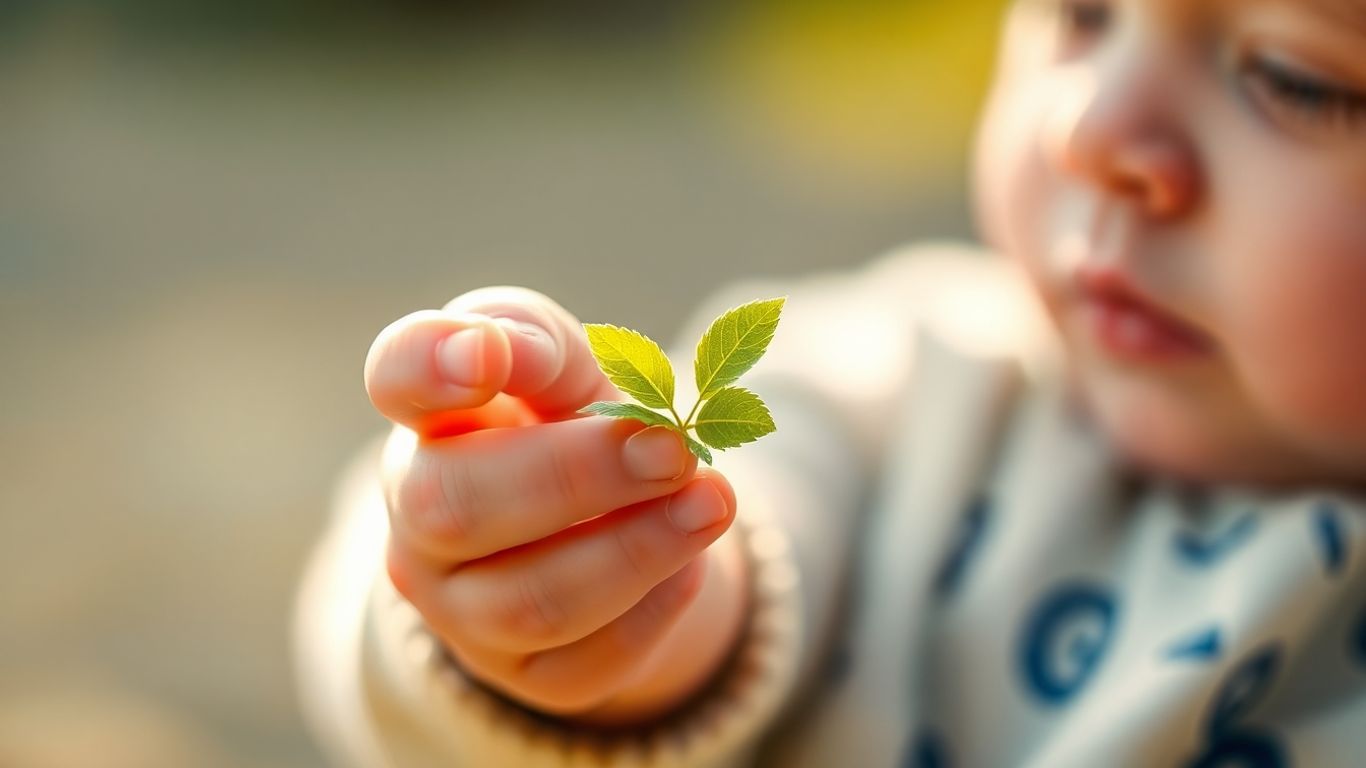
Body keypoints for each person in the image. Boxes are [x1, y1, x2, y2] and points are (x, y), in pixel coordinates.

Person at [293, 0, 1366, 765]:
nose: (1088, 129)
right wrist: (615, 602)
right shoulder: (914, 385)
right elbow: (763, 501)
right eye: (1080, 15)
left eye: (1292, 78)